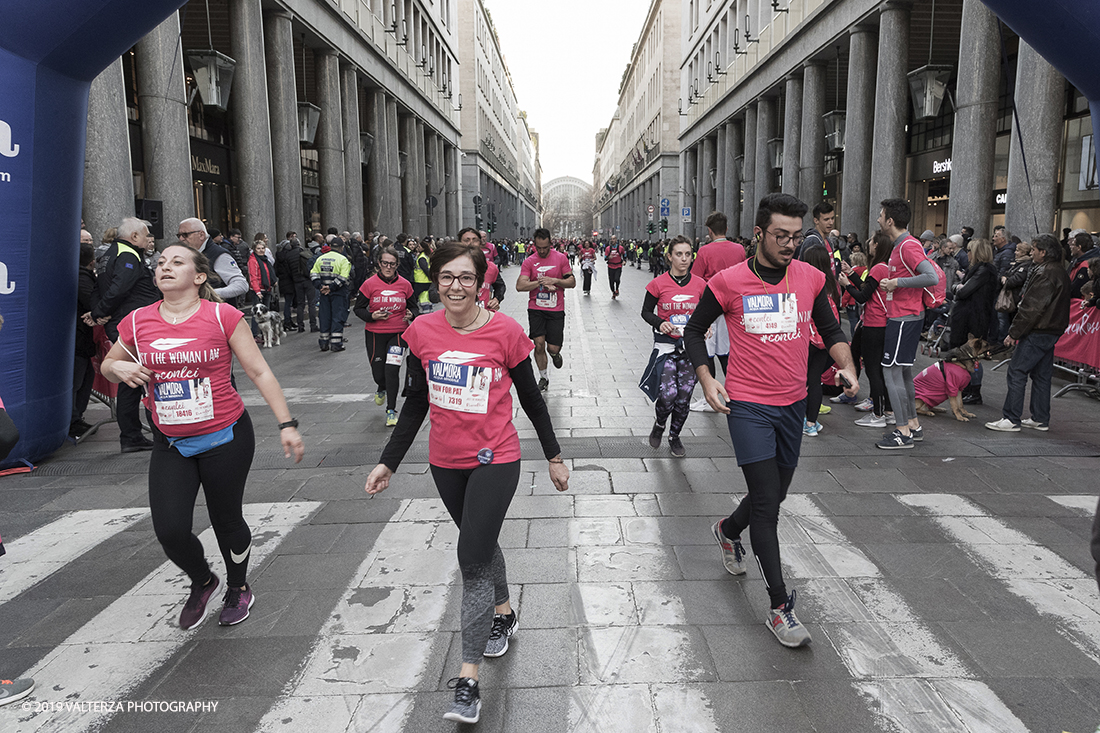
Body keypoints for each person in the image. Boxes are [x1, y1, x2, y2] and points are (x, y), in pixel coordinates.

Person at [364, 242, 569, 724]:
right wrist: (387, 463)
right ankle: (503, 610)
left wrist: (555, 457)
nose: (456, 286)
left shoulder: (505, 331)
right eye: (448, 278)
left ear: (482, 283)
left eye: (466, 278)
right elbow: (415, 402)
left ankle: (468, 679)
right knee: (481, 542)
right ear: (435, 282)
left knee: (471, 559)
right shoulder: (421, 331)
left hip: (497, 457)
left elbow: (532, 402)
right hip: (445, 461)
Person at [684, 193, 858, 648]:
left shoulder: (810, 278)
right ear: (759, 233)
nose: (789, 245)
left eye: (796, 237)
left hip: (793, 405)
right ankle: (780, 607)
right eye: (781, 236)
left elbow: (833, 330)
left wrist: (847, 365)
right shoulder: (728, 282)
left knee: (774, 494)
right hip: (748, 407)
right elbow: (693, 330)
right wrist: (707, 379)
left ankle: (726, 530)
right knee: (767, 504)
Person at [100, 245, 304, 629]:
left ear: (198, 277)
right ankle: (203, 580)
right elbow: (110, 363)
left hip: (225, 436)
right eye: (160, 263)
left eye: (176, 262)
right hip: (170, 441)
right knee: (170, 529)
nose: (165, 267)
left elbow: (259, 372)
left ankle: (238, 587)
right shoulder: (138, 321)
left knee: (226, 519)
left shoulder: (222, 315)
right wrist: (120, 371)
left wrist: (286, 424)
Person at [986, 234, 1071, 432]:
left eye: (1034, 249)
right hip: (1051, 329)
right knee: (1041, 375)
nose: (1031, 252)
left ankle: (1011, 418)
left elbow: (1032, 308)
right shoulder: (1058, 271)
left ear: (1043, 252)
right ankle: (1040, 417)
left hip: (1038, 329)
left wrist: (1013, 333)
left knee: (1017, 370)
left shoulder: (1046, 273)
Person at [91, 218, 161, 452]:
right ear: (133, 237)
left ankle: (132, 435)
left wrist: (98, 312)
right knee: (137, 379)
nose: (149, 239)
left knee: (130, 380)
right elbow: (119, 287)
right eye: (145, 235)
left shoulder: (108, 254)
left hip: (123, 321)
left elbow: (98, 287)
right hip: (134, 323)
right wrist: (99, 312)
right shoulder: (128, 255)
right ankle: (136, 435)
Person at [875, 198, 939, 450]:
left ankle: (902, 431)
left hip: (904, 317)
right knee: (901, 372)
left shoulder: (907, 246)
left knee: (891, 371)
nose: (879, 219)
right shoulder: (902, 245)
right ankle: (912, 424)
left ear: (890, 221)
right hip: (906, 316)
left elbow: (930, 276)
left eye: (881, 215)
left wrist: (895, 284)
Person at [640, 236, 706, 457]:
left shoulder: (700, 285)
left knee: (684, 396)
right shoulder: (657, 284)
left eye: (688, 254)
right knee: (668, 395)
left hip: (691, 349)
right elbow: (646, 312)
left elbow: (708, 312)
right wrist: (661, 323)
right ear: (669, 257)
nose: (684, 259)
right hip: (666, 348)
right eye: (679, 254)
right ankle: (660, 424)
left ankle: (675, 436)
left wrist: (706, 326)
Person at [354, 246, 415, 426]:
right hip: (375, 334)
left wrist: (412, 314)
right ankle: (381, 387)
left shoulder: (405, 284)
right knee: (379, 374)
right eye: (385, 263)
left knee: (392, 370)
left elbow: (415, 307)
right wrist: (371, 316)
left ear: (397, 265)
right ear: (379, 264)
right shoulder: (369, 284)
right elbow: (358, 309)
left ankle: (391, 410)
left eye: (392, 264)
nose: (388, 267)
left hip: (399, 333)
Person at [840, 230, 895, 427]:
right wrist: (851, 274)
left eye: (872, 241)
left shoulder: (878, 268)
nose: (869, 243)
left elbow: (863, 296)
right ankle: (888, 411)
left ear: (877, 246)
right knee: (880, 370)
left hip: (875, 323)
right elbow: (867, 288)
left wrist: (846, 285)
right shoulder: (885, 267)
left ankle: (878, 414)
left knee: (874, 370)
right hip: (881, 323)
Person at [692, 211, 746, 391]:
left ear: (710, 231)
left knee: (708, 350)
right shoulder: (739, 249)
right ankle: (735, 390)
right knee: (727, 351)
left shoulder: (704, 250)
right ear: (727, 228)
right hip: (734, 307)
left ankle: (711, 392)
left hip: (711, 306)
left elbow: (696, 280)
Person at [516, 228, 575, 391]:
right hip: (536, 308)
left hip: (556, 308)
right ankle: (543, 377)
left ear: (551, 244)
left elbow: (572, 282)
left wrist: (555, 281)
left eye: (545, 247)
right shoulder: (529, 261)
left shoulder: (561, 258)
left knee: (552, 348)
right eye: (538, 247)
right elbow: (520, 286)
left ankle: (555, 355)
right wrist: (540, 283)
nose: (541, 251)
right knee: (539, 344)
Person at [947, 238, 998, 406]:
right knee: (966, 353)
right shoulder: (976, 270)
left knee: (973, 354)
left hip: (975, 318)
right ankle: (967, 388)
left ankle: (974, 390)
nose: (967, 254)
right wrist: (958, 288)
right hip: (969, 316)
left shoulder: (984, 271)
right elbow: (957, 288)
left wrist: (958, 288)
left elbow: (963, 291)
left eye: (970, 251)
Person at [801, 246, 841, 437]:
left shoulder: (808, 283)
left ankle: (804, 420)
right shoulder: (831, 284)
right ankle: (812, 421)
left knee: (802, 381)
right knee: (815, 381)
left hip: (808, 339)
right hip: (826, 340)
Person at [72, 242, 102, 437]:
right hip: (80, 336)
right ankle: (74, 420)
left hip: (82, 337)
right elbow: (90, 300)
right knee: (78, 380)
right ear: (92, 262)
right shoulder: (82, 278)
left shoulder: (81, 275)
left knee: (85, 378)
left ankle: (76, 419)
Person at [310, 239, 352, 352]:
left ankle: (324, 342)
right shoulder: (343, 260)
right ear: (342, 247)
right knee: (337, 317)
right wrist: (331, 287)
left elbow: (313, 273)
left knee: (324, 317)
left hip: (324, 294)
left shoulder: (321, 258)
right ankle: (336, 343)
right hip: (338, 293)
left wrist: (320, 286)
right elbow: (344, 277)